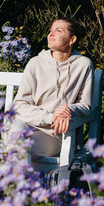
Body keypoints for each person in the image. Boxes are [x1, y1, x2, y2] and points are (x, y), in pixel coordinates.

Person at [12, 18, 94, 161]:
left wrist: (68, 110)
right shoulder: (35, 63)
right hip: (26, 125)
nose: (51, 34)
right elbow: (19, 105)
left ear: (72, 39)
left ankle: (18, 182)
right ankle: (21, 182)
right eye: (50, 30)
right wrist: (50, 117)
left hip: (53, 134)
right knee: (16, 135)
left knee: (17, 148)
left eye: (58, 31)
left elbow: (85, 106)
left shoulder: (84, 65)